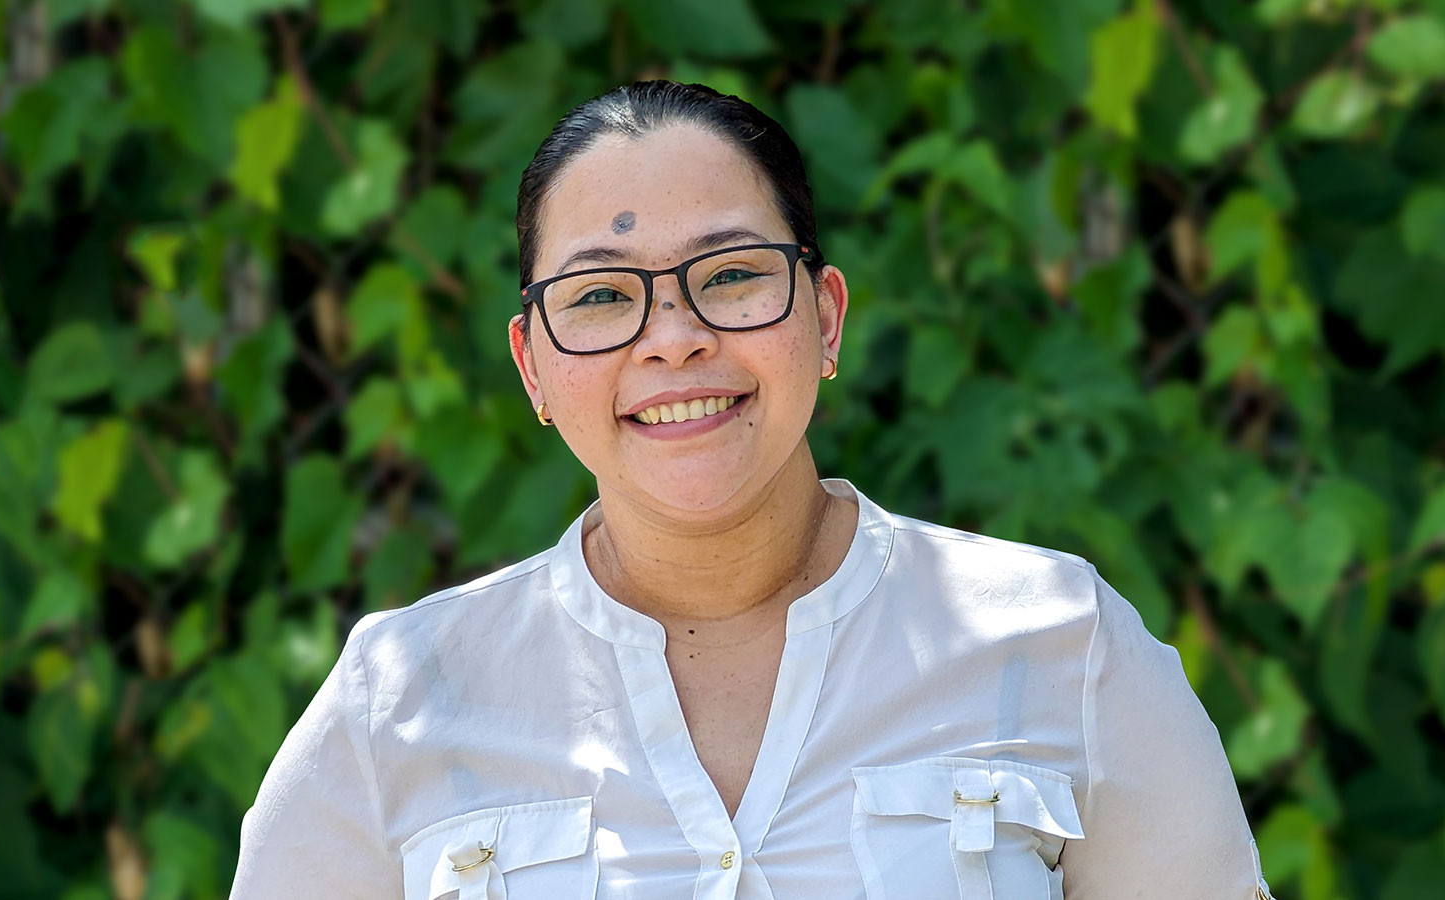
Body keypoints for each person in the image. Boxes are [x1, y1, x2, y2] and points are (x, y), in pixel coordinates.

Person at [229, 80, 1275, 900]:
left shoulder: (1057, 647)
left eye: (729, 275)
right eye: (599, 296)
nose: (675, 339)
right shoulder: (400, 706)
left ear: (824, 318)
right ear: (533, 367)